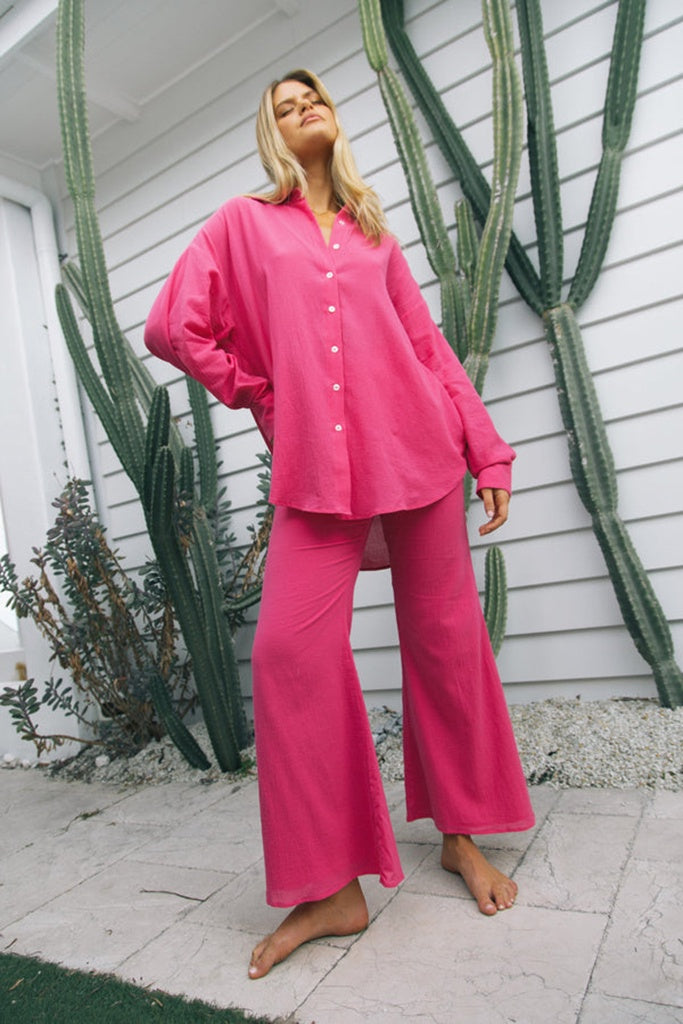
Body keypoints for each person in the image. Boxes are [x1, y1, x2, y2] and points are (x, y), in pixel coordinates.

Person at [144, 68, 535, 980]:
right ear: (271, 136)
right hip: (316, 474)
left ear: (331, 115)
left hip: (420, 452)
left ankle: (460, 837)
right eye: (282, 108)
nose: (301, 109)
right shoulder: (242, 225)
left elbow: (427, 349)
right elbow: (173, 327)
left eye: (310, 97)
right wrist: (258, 393)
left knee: (444, 642)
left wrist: (487, 451)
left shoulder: (374, 237)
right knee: (287, 653)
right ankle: (331, 889)